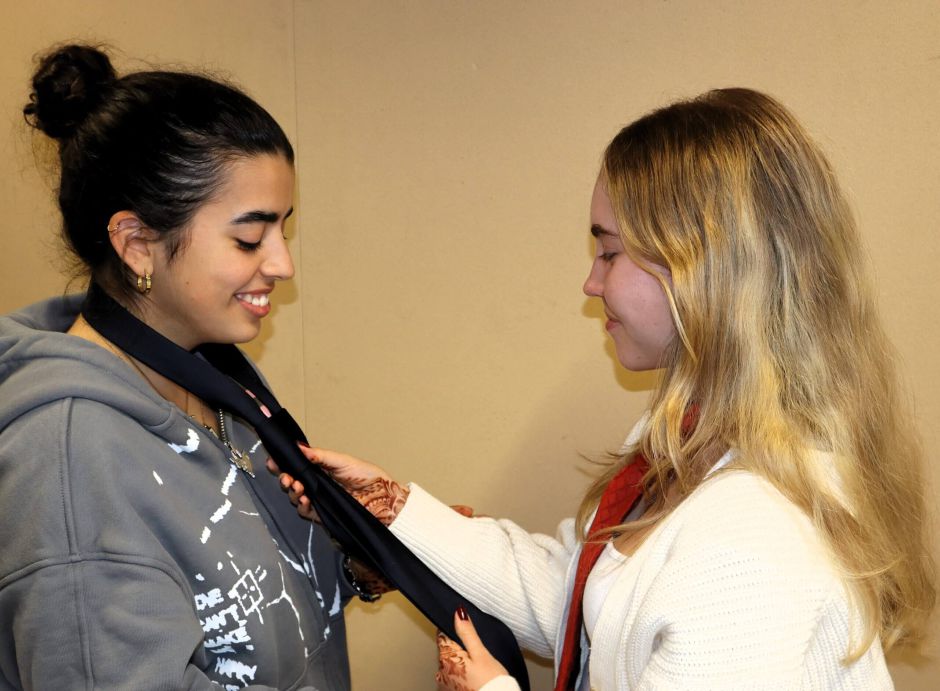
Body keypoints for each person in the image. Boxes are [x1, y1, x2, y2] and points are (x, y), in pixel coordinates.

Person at [274, 88, 936, 690]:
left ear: (704, 267)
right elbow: (584, 599)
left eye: (610, 252)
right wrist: (394, 510)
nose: (591, 284)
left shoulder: (748, 542)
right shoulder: (688, 438)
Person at [0, 44, 360, 690]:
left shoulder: (211, 369)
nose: (282, 264)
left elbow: (252, 587)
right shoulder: (70, 461)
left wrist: (358, 560)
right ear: (138, 244)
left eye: (283, 229)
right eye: (249, 238)